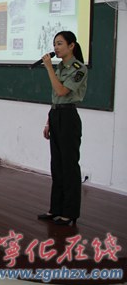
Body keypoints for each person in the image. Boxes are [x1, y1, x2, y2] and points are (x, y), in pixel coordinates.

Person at [37, 31, 88, 226]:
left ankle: (70, 213)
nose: (56, 48)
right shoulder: (59, 67)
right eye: (54, 44)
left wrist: (49, 68)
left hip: (68, 118)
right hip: (56, 115)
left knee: (69, 166)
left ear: (71, 45)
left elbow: (61, 91)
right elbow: (55, 99)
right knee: (57, 165)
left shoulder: (79, 68)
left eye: (60, 43)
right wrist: (49, 121)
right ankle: (55, 209)